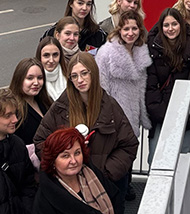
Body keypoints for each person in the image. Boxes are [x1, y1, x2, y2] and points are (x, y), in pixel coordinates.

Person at [34, 53, 138, 186]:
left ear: (93, 73)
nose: (80, 80)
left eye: (84, 73)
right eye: (74, 76)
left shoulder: (110, 106)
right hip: (70, 185)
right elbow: (40, 141)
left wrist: (105, 174)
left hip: (104, 185)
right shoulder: (61, 106)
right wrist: (61, 167)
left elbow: (129, 145)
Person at [33, 127, 125, 214]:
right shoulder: (45, 201)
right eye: (65, 156)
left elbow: (116, 203)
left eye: (77, 153)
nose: (74, 160)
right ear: (52, 161)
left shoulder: (92, 174)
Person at [95, 9, 152, 202]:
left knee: (128, 161)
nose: (130, 32)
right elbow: (101, 88)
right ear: (119, 29)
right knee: (115, 167)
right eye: (126, 28)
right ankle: (114, 209)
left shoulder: (141, 52)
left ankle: (124, 195)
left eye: (134, 28)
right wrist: (107, 118)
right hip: (113, 121)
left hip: (132, 118)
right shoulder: (106, 53)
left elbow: (141, 88)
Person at [145, 7, 190, 163]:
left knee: (183, 158)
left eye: (174, 24)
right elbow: (150, 85)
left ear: (181, 25)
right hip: (159, 114)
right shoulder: (152, 50)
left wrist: (180, 112)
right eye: (166, 25)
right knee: (156, 156)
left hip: (185, 114)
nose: (170, 29)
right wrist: (161, 113)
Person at [9, 57, 53, 164]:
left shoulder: (46, 102)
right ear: (19, 80)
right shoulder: (13, 109)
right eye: (30, 78)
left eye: (40, 78)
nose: (36, 83)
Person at [42, 0, 106, 53]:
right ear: (71, 4)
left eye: (88, 4)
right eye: (80, 3)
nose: (84, 8)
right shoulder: (53, 32)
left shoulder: (98, 34)